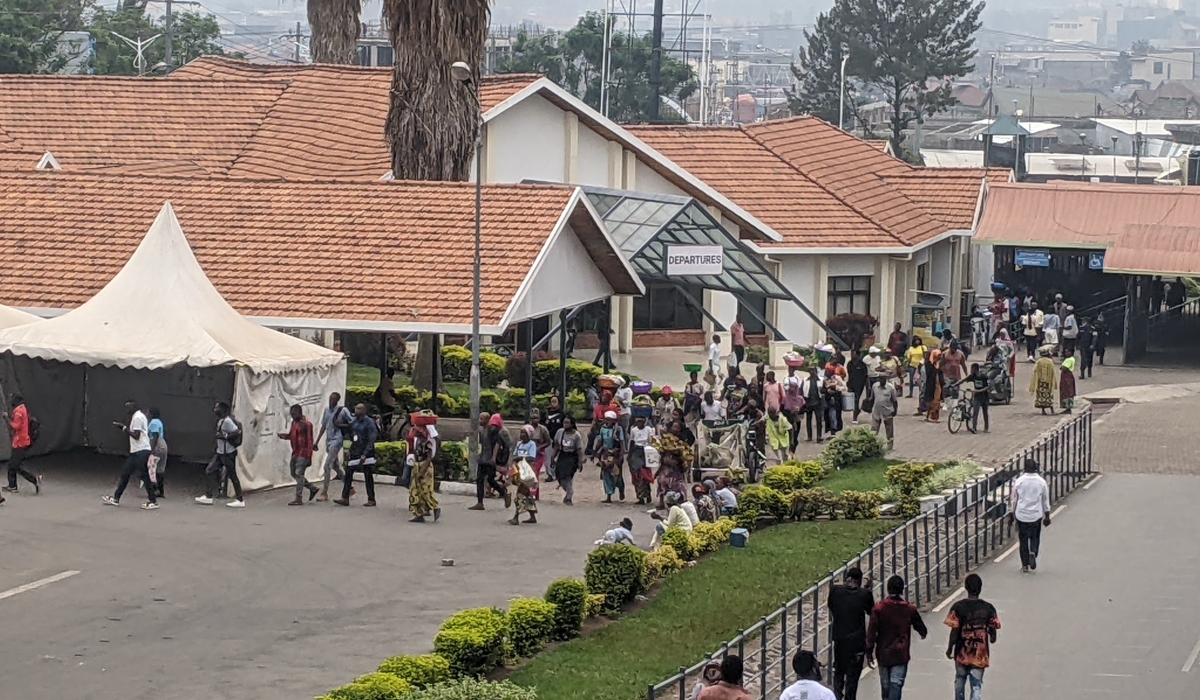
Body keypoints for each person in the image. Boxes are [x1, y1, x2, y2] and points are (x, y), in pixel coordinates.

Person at [866, 576, 928, 700]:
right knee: (896, 684)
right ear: (902, 590)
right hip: (901, 653)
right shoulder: (909, 608)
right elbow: (919, 625)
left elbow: (871, 632)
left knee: (885, 685)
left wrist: (869, 652)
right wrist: (922, 633)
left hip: (883, 653)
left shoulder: (879, 608)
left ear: (888, 589)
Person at [945, 574, 1000, 700]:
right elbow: (993, 630)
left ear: (966, 587)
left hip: (962, 653)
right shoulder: (988, 608)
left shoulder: (958, 607)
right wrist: (992, 637)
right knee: (976, 685)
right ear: (980, 588)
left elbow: (954, 631)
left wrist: (950, 648)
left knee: (959, 680)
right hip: (980, 653)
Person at [827, 567, 875, 700]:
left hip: (840, 640)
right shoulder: (864, 594)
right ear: (859, 580)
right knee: (852, 679)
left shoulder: (835, 591)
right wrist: (867, 590)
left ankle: (837, 696)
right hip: (857, 643)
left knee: (839, 672)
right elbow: (871, 611)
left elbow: (832, 606)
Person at [103, 400, 159, 509]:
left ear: (134, 407)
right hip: (137, 451)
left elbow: (136, 436)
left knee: (143, 476)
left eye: (129, 408)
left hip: (141, 451)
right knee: (126, 473)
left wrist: (123, 428)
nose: (127, 410)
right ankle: (116, 498)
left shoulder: (137, 417)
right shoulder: (139, 416)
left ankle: (153, 501)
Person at [193, 402, 244, 508]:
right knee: (209, 470)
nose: (215, 409)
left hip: (228, 453)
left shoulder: (227, 421)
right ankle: (208, 496)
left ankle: (240, 499)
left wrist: (225, 437)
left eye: (217, 408)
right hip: (220, 453)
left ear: (223, 410)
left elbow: (237, 432)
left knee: (232, 475)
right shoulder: (221, 421)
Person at [1009, 458, 1051, 573]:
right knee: (1035, 537)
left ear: (1025, 468)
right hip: (1035, 515)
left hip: (1021, 515)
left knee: (1023, 540)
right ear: (1036, 468)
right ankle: (1033, 552)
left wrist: (1011, 514)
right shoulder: (1041, 482)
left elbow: (1013, 499)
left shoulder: (1019, 481)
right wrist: (1047, 516)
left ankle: (1025, 565)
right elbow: (1045, 500)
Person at [335, 403, 378, 507]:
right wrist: (350, 451)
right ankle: (345, 498)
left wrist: (365, 453)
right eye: (355, 408)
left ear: (364, 410)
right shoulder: (355, 422)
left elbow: (372, 438)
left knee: (368, 475)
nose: (356, 410)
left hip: (366, 453)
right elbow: (352, 436)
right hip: (355, 451)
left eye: (359, 408)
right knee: (348, 472)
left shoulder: (369, 423)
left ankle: (371, 499)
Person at [278, 404, 319, 506]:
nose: (292, 415)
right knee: (293, 473)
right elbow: (292, 436)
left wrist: (309, 456)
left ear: (299, 413)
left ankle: (298, 497)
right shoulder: (294, 423)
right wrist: (284, 436)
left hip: (303, 453)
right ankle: (312, 488)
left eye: (294, 413)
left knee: (299, 474)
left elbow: (310, 440)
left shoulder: (307, 424)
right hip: (295, 452)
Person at [313, 392, 352, 501]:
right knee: (335, 466)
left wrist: (340, 424)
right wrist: (317, 441)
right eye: (330, 399)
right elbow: (324, 426)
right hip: (329, 440)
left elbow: (352, 423)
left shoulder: (343, 411)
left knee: (327, 466)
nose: (331, 401)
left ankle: (324, 492)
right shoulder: (326, 411)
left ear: (337, 400)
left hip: (337, 439)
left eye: (334, 399)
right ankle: (349, 487)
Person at [471, 413, 511, 511]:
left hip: (489, 459)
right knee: (479, 480)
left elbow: (498, 443)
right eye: (479, 418)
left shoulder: (492, 430)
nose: (480, 420)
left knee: (490, 480)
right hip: (483, 458)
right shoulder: (482, 430)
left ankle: (504, 494)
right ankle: (480, 502)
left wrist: (494, 457)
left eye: (482, 419)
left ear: (487, 419)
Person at [2, 394, 38, 497]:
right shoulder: (23, 408)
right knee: (14, 465)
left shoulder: (18, 411)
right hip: (23, 441)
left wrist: (6, 418)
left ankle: (33, 479)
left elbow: (16, 426)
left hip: (19, 442)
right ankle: (12, 485)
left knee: (14, 466)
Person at [406, 424, 440, 522]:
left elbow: (429, 458)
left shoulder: (427, 443)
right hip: (417, 466)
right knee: (414, 491)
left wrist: (422, 472)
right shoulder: (417, 441)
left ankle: (435, 507)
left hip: (425, 467)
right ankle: (418, 514)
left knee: (426, 490)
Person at [594, 410, 626, 503]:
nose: (607, 421)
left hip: (616, 454)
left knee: (616, 475)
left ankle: (621, 489)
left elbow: (622, 442)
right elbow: (600, 441)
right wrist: (595, 452)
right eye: (606, 419)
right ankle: (609, 495)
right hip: (606, 454)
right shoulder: (603, 429)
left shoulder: (618, 429)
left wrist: (621, 455)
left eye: (609, 420)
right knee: (606, 474)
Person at [508, 429, 539, 526]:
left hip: (527, 471)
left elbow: (532, 457)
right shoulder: (519, 444)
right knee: (526, 494)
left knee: (520, 494)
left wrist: (521, 458)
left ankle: (516, 517)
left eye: (524, 433)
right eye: (521, 432)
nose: (522, 435)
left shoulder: (532, 444)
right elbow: (515, 455)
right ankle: (532, 516)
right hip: (519, 470)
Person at [553, 415, 582, 505]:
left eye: (567, 423)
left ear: (572, 424)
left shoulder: (576, 435)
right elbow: (557, 446)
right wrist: (552, 458)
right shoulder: (560, 432)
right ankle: (568, 491)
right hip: (562, 456)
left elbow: (579, 450)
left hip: (572, 457)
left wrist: (580, 462)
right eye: (564, 422)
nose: (565, 424)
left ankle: (569, 495)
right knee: (559, 475)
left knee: (568, 476)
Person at [627, 415, 655, 505]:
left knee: (645, 474)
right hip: (636, 451)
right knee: (637, 474)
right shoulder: (633, 430)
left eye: (641, 422)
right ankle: (640, 497)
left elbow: (651, 441)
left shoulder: (648, 429)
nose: (639, 423)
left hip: (645, 451)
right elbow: (632, 442)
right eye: (637, 422)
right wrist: (629, 455)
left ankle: (647, 494)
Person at [870, 374, 898, 450]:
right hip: (876, 412)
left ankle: (890, 445)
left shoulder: (891, 388)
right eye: (880, 379)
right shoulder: (875, 386)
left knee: (889, 430)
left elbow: (894, 401)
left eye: (883, 379)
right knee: (874, 429)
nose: (881, 380)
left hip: (887, 411)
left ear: (886, 379)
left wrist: (895, 411)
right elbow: (872, 398)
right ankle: (873, 445)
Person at [528, 411, 552, 498]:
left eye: (537, 418)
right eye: (533, 418)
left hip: (539, 454)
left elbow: (548, 441)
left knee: (535, 473)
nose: (535, 420)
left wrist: (540, 447)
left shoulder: (542, 429)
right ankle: (535, 494)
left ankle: (533, 494)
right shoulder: (527, 428)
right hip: (529, 454)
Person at [801, 366, 826, 443]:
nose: (811, 372)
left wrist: (822, 390)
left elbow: (825, 390)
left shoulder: (821, 380)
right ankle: (809, 436)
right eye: (810, 371)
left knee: (819, 420)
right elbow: (801, 390)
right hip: (808, 402)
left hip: (818, 402)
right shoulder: (805, 380)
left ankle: (819, 436)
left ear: (816, 371)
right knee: (808, 420)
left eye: (813, 370)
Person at [147, 407, 167, 499]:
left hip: (157, 446)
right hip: (163, 445)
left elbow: (154, 436)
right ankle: (161, 491)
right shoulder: (159, 422)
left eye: (148, 412)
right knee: (160, 469)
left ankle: (154, 489)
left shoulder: (153, 422)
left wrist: (150, 450)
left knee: (152, 468)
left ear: (151, 414)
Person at [965, 363, 990, 434]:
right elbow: (964, 380)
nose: (971, 370)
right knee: (975, 412)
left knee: (985, 413)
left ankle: (986, 428)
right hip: (977, 397)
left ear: (975, 369)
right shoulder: (973, 376)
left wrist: (980, 390)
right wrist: (955, 385)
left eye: (972, 369)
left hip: (984, 397)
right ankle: (974, 428)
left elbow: (988, 386)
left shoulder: (983, 376)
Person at [543, 400, 563, 482]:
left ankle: (557, 473)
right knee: (547, 458)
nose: (553, 403)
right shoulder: (546, 414)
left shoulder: (562, 414)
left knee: (557, 457)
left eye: (555, 401)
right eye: (552, 401)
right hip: (548, 438)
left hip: (559, 439)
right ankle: (550, 474)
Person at [847, 349, 868, 425]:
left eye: (854, 354)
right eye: (851, 354)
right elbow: (849, 375)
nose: (852, 355)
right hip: (851, 384)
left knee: (856, 400)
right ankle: (856, 411)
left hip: (859, 385)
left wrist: (866, 385)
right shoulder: (850, 364)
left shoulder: (862, 365)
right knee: (853, 401)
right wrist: (848, 385)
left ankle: (855, 416)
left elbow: (865, 375)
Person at [923, 350, 944, 423]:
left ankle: (935, 417)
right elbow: (929, 374)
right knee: (931, 401)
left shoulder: (938, 364)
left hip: (938, 386)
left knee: (937, 401)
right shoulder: (929, 364)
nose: (939, 357)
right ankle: (929, 416)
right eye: (938, 356)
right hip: (931, 385)